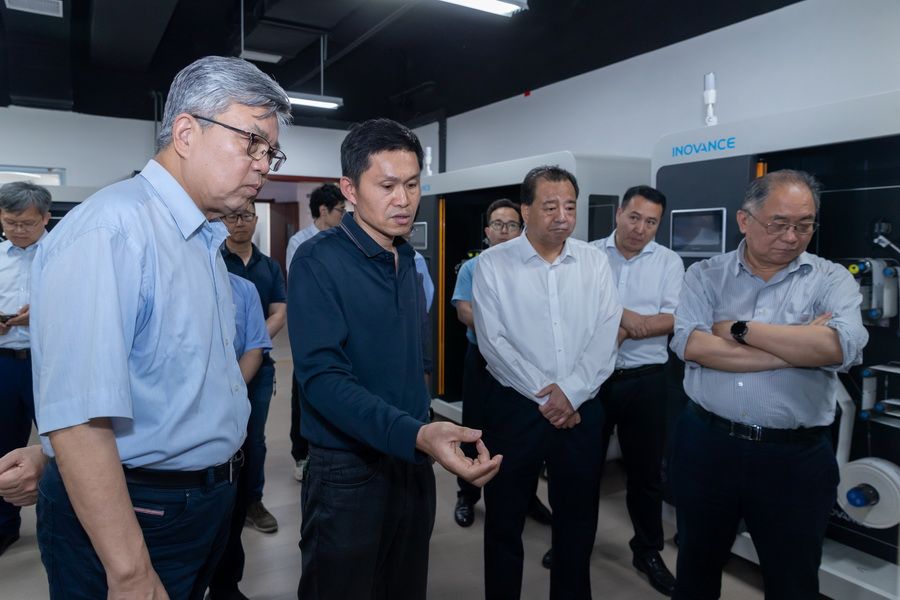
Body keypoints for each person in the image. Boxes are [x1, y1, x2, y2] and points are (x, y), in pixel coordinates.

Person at [30, 55, 291, 599]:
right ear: (187, 133)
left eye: (271, 151)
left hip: (200, 502)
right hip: (140, 511)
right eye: (252, 143)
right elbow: (78, 419)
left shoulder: (201, 237)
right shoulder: (113, 231)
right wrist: (129, 571)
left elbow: (169, 376)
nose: (264, 165)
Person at [288, 117, 502, 600]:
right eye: (386, 186)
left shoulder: (408, 260)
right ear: (349, 189)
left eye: (412, 184)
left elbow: (414, 356)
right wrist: (418, 433)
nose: (403, 200)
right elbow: (321, 380)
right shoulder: (318, 261)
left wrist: (421, 427)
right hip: (348, 469)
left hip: (410, 460)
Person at [669, 169, 868, 600]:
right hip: (707, 446)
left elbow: (840, 347)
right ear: (745, 220)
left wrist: (739, 330)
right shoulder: (705, 275)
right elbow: (692, 346)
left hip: (794, 459)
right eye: (779, 223)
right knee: (696, 568)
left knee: (793, 580)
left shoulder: (830, 279)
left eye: (805, 225)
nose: (792, 237)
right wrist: (795, 348)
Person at [473, 165, 622, 600]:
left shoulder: (594, 261)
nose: (563, 216)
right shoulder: (493, 264)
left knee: (577, 520)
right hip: (515, 410)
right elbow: (494, 342)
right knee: (505, 518)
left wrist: (571, 392)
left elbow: (606, 331)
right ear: (525, 209)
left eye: (570, 207)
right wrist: (551, 396)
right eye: (550, 206)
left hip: (582, 408)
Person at [451, 198, 552, 529]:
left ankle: (527, 497)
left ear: (520, 230)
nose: (505, 231)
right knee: (474, 428)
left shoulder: (534, 268)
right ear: (487, 231)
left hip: (525, 363)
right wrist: (502, 333)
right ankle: (468, 495)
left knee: (522, 430)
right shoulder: (472, 268)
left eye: (512, 225)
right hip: (481, 360)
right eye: (498, 224)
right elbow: (464, 311)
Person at [221, 199, 287, 532]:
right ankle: (224, 505)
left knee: (254, 439)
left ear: (256, 219)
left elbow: (279, 312)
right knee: (221, 436)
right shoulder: (214, 261)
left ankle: (253, 501)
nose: (240, 222)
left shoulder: (269, 267)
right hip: (219, 367)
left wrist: (254, 342)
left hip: (260, 368)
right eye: (233, 216)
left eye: (246, 216)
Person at [208, 273, 272, 600]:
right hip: (179, 426)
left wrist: (226, 397)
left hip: (230, 413)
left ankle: (226, 587)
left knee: (232, 505)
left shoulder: (243, 289)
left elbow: (254, 348)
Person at [0, 181, 50, 556]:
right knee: (4, 446)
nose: (18, 230)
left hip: (47, 364)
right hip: (4, 365)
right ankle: (5, 526)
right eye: (10, 222)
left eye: (27, 223)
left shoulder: (64, 253)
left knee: (60, 445)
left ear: (45, 218)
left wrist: (41, 315)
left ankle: (62, 522)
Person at [284, 183, 345, 481]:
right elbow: (303, 288)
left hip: (339, 327)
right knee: (303, 391)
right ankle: (301, 454)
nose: (344, 216)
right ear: (323, 210)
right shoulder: (300, 242)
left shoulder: (344, 240)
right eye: (341, 210)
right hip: (310, 327)